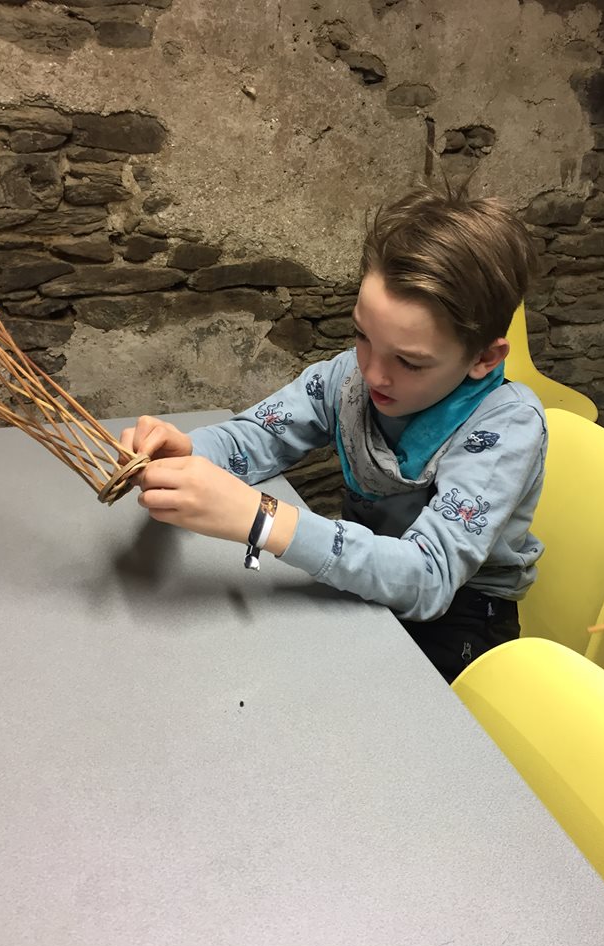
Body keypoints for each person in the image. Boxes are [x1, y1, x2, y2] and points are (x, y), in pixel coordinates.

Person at [121, 184, 547, 683]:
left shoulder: (506, 427)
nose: (373, 374)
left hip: (461, 611)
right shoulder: (347, 379)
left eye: (409, 362)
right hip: (366, 575)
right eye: (363, 335)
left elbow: (429, 577)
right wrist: (191, 450)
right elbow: (259, 436)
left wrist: (262, 520)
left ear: (484, 358)